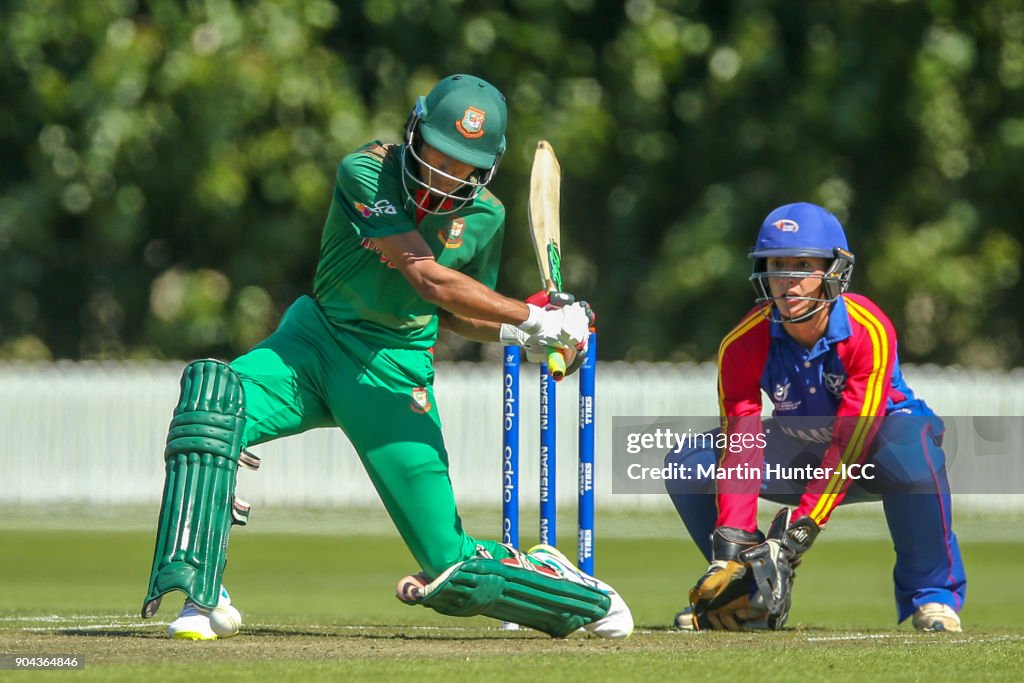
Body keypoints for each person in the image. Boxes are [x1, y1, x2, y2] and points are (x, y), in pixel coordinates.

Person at [140, 74, 632, 640]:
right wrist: (537, 317)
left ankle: (559, 582)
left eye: (464, 164)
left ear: (486, 167)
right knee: (211, 403)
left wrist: (529, 337)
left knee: (452, 569)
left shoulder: (487, 217)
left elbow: (456, 311)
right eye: (438, 154)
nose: (446, 173)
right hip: (314, 343)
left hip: (395, 373)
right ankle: (202, 593)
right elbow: (428, 278)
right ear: (415, 134)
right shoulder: (367, 171)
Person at [663, 202, 966, 632]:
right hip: (800, 444)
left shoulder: (869, 329)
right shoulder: (742, 343)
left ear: (835, 271)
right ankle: (748, 597)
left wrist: (795, 537)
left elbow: (849, 443)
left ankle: (933, 597)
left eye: (802, 265)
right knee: (688, 462)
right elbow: (742, 443)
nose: (787, 281)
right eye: (776, 265)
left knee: (915, 456)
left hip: (876, 443)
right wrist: (730, 546)